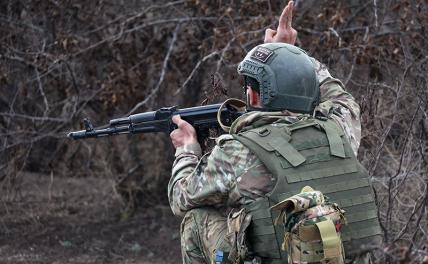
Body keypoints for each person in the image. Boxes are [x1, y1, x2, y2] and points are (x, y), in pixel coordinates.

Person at [168, 2, 382, 263]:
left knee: (195, 218)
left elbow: (180, 198)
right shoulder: (339, 128)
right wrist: (291, 55)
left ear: (254, 94)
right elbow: (339, 96)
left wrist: (186, 150)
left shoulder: (238, 150)